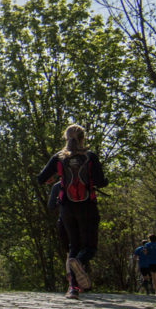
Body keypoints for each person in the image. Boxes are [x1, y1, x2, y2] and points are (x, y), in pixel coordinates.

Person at [38, 124, 107, 300]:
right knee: (89, 247)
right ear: (83, 138)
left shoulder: (59, 157)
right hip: (87, 206)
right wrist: (102, 181)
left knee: (73, 246)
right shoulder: (90, 156)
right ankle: (80, 263)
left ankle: (73, 289)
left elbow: (41, 178)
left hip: (66, 207)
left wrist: (55, 179)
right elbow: (100, 181)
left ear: (65, 138)